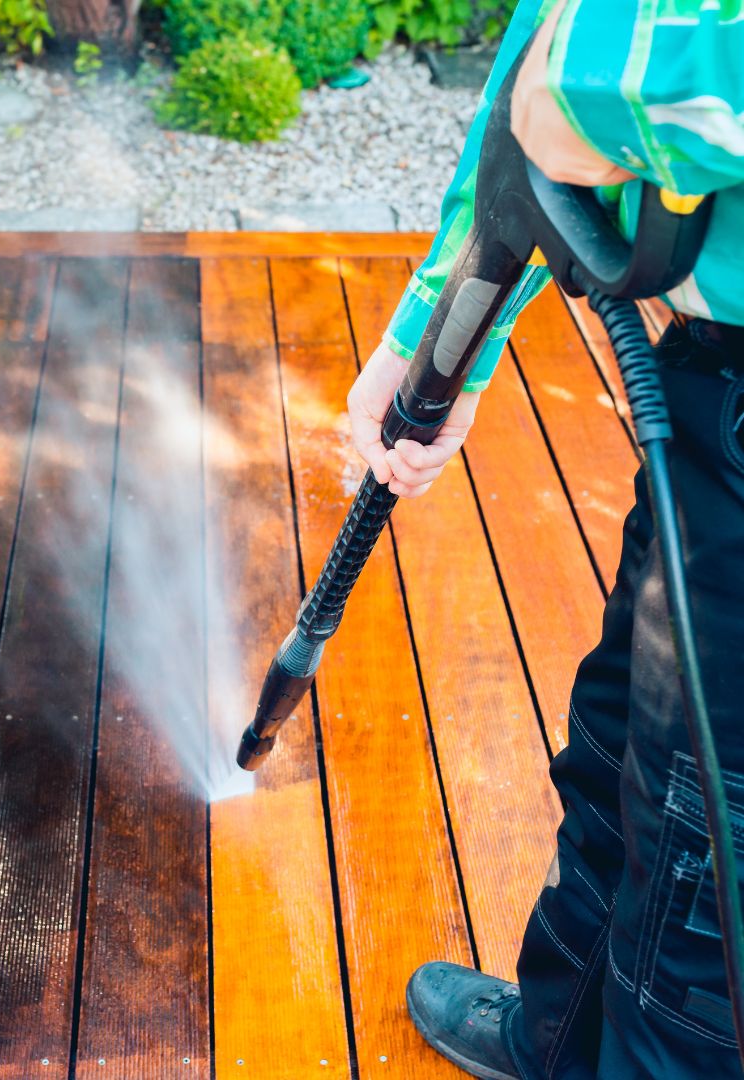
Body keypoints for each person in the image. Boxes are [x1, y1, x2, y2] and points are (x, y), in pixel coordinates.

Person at [347, 0, 744, 1076]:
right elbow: (552, 37)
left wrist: (588, 87)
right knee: (627, 754)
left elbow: (570, 83)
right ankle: (559, 1039)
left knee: (709, 869)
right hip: (716, 395)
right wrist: (438, 341)